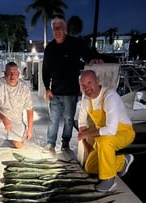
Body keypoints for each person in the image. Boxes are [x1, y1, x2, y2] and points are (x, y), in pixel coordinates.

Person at [42, 14, 104, 153]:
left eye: (60, 27)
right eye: (54, 27)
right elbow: (45, 70)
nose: (57, 30)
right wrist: (47, 88)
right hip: (55, 92)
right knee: (53, 120)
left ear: (65, 28)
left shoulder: (75, 44)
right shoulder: (50, 48)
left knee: (69, 120)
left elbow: (88, 54)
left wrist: (95, 59)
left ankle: (65, 143)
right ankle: (50, 143)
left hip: (71, 92)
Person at [77, 70, 135, 192]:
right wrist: (87, 145)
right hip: (104, 136)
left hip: (123, 133)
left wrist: (87, 134)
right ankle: (122, 162)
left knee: (104, 141)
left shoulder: (110, 96)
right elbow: (82, 125)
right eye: (83, 85)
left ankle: (109, 179)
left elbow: (111, 130)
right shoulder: (86, 99)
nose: (86, 87)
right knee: (90, 167)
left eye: (89, 82)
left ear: (97, 81)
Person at [0, 61, 34, 158]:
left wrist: (30, 129)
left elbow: (29, 109)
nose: (12, 75)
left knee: (18, 146)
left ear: (18, 74)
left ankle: (13, 138)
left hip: (16, 117)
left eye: (15, 73)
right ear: (5, 74)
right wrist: (3, 118)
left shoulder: (24, 88)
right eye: (9, 73)